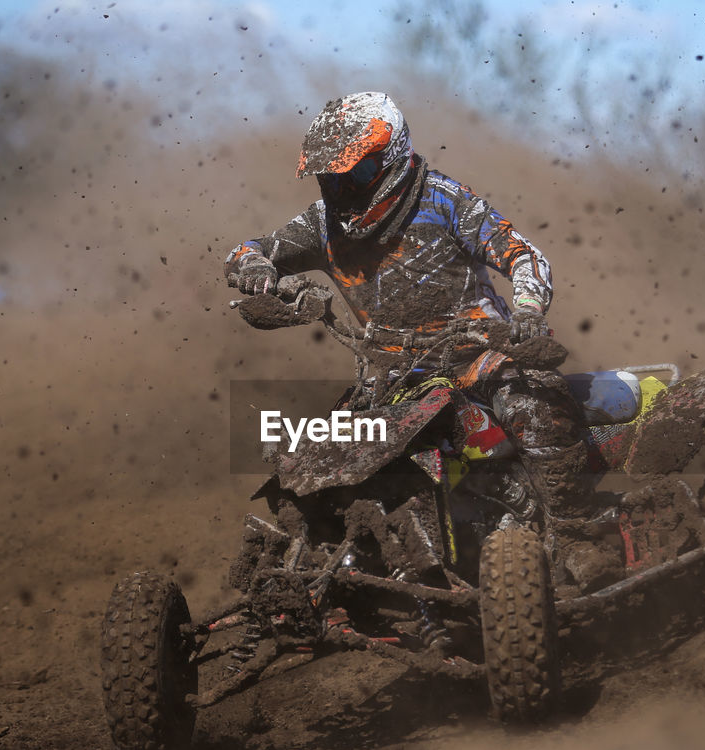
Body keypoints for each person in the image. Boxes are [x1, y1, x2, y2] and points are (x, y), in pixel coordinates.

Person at [224, 91, 609, 587]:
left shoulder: (444, 201)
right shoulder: (322, 224)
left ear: (394, 158)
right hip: (389, 378)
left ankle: (576, 537)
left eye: (356, 175)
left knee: (531, 408)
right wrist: (256, 267)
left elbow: (525, 256)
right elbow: (247, 250)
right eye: (332, 179)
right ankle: (319, 573)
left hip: (477, 355)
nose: (344, 190)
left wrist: (530, 312)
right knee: (306, 459)